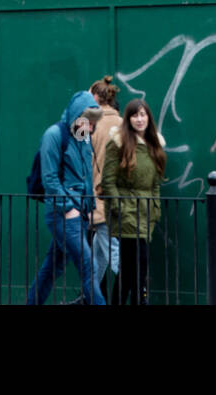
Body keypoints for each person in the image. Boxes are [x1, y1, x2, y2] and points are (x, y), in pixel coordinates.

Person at [27, 90, 106, 305]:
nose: (91, 127)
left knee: (53, 267)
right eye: (88, 121)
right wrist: (69, 209)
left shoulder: (81, 137)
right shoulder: (53, 135)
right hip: (62, 213)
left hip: (78, 213)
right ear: (77, 115)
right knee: (89, 266)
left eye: (93, 123)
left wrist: (88, 207)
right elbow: (49, 179)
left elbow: (85, 175)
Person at [102, 99, 166, 305]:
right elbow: (108, 181)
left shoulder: (155, 144)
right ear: (128, 119)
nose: (140, 119)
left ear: (149, 117)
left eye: (143, 115)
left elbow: (156, 183)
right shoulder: (118, 143)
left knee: (129, 271)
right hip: (127, 214)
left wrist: (156, 209)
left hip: (146, 213)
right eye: (135, 115)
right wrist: (120, 208)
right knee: (138, 267)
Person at [87, 76, 123, 301]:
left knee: (114, 255)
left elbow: (77, 153)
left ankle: (139, 292)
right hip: (120, 200)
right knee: (97, 256)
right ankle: (88, 296)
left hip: (99, 199)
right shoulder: (123, 123)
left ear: (96, 98)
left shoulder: (87, 121)